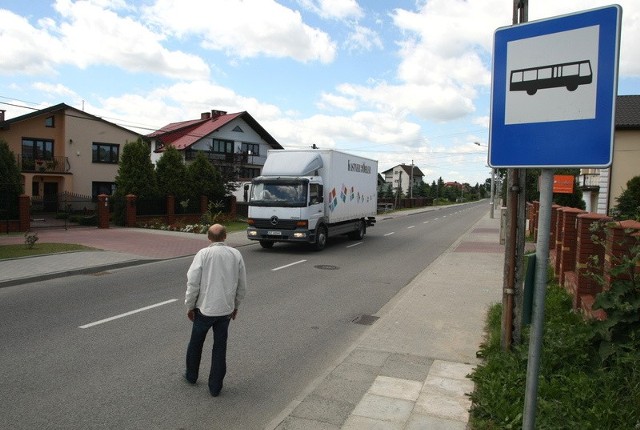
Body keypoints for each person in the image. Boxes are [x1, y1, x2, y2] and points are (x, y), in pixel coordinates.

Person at [184, 224, 247, 397]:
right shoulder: (236, 255)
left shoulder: (203, 254)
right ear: (225, 236)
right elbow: (242, 285)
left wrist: (190, 306)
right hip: (225, 310)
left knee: (196, 343)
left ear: (209, 238)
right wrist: (236, 306)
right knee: (220, 347)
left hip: (204, 310)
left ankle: (191, 376)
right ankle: (215, 387)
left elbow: (193, 283)